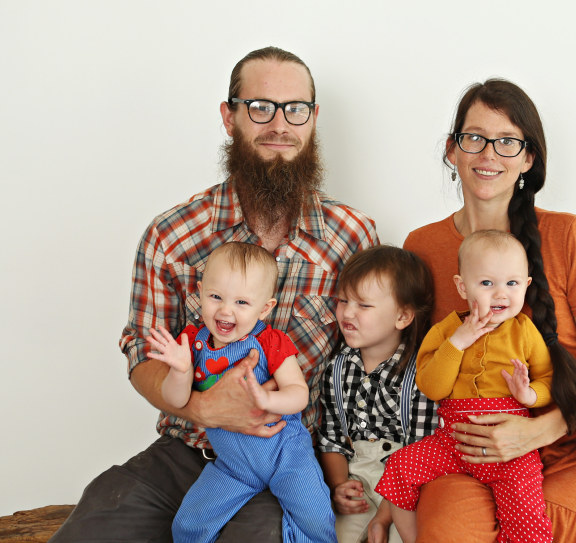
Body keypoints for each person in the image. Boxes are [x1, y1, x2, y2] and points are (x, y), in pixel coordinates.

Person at [50, 46, 378, 542]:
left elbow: (370, 367)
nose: (279, 126)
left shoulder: (352, 238)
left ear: (312, 120)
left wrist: (347, 473)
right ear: (230, 117)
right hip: (183, 453)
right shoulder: (173, 235)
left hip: (282, 465)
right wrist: (202, 407)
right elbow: (142, 351)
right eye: (260, 108)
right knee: (89, 529)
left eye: (296, 109)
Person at [403, 79, 576, 542]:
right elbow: (423, 369)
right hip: (470, 452)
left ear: (528, 158)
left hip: (574, 448)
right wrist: (397, 494)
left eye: (508, 141)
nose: (489, 154)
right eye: (475, 138)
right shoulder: (421, 246)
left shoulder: (570, 235)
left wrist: (539, 431)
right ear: (453, 150)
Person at [146, 242, 336, 543]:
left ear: (265, 308)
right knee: (188, 524)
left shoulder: (271, 341)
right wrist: (180, 371)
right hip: (233, 465)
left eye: (242, 303)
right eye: (216, 296)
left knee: (313, 515)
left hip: (286, 454)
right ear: (200, 292)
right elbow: (177, 401)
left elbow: (299, 393)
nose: (225, 310)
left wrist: (266, 399)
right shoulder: (193, 343)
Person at [376, 231, 554, 543]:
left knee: (528, 524)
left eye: (512, 284)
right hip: (453, 442)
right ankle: (411, 537)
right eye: (487, 283)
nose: (500, 294)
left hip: (510, 449)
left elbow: (549, 379)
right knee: (399, 468)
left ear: (526, 285)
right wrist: (457, 342)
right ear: (462, 286)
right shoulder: (446, 330)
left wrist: (530, 394)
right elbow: (432, 387)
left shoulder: (525, 331)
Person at [317, 245, 438, 543]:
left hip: (404, 487)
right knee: (331, 535)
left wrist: (383, 519)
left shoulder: (421, 374)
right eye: (343, 300)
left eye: (364, 305)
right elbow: (331, 437)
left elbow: (420, 453)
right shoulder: (337, 367)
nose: (347, 312)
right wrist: (339, 484)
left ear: (402, 317)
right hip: (356, 476)